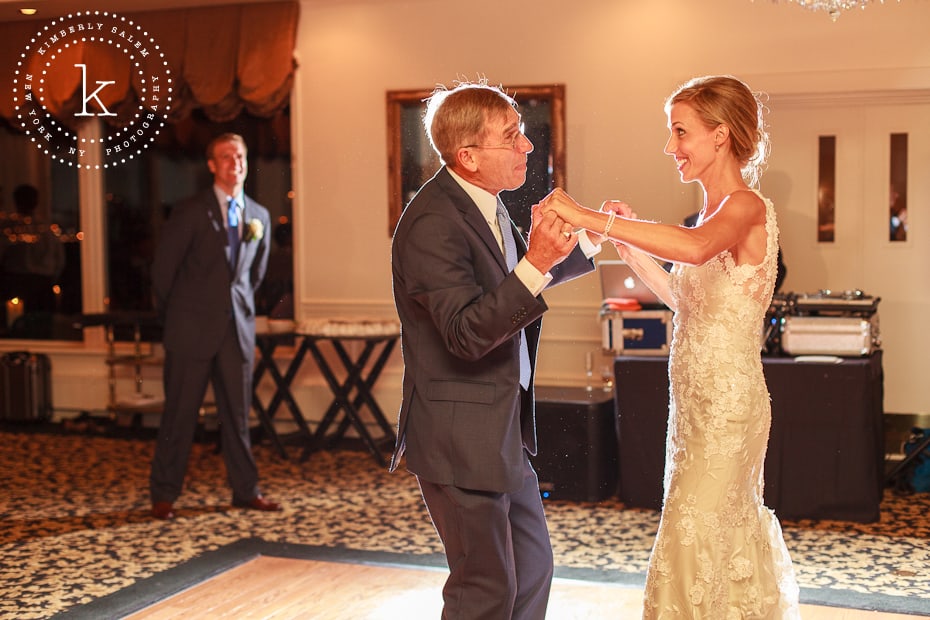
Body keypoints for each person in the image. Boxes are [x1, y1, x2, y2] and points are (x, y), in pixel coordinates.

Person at [540, 75, 800, 618]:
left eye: (680, 132)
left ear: (721, 135)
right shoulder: (706, 215)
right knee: (701, 531)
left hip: (729, 408)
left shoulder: (746, 207)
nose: (670, 147)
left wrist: (592, 217)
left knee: (697, 530)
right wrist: (627, 242)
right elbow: (686, 298)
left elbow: (700, 250)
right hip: (693, 408)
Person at [389, 79, 601, 619]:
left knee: (531, 572)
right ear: (468, 155)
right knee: (484, 591)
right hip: (461, 436)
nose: (527, 147)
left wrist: (590, 241)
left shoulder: (482, 201)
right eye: (512, 136)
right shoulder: (433, 223)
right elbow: (466, 333)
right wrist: (536, 261)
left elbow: (508, 284)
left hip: (499, 427)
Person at [149, 132, 280, 520]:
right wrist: (176, 319)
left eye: (239, 155)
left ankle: (246, 491)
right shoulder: (190, 211)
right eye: (225, 156)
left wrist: (233, 310)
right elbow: (162, 274)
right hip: (189, 332)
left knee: (238, 419)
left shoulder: (259, 216)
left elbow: (253, 278)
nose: (234, 162)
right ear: (211, 165)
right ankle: (164, 495)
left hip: (236, 332)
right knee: (179, 416)